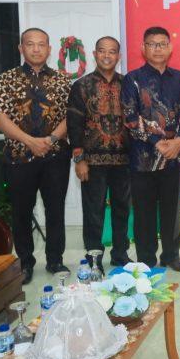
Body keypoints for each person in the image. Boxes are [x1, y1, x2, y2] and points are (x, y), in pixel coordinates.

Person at [0, 27, 71, 284]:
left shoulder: (62, 81)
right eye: (30, 44)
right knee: (21, 211)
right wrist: (30, 141)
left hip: (55, 156)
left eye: (41, 44)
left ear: (49, 49)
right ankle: (25, 262)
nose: (36, 49)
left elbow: (70, 117)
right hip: (19, 156)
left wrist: (51, 139)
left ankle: (55, 259)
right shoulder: (6, 79)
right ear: (21, 48)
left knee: (55, 209)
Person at [121, 26, 180, 271]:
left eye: (162, 44)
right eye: (152, 44)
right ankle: (146, 258)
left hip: (175, 156)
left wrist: (179, 141)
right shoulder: (132, 78)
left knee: (172, 210)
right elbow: (130, 117)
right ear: (143, 48)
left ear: (170, 48)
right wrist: (157, 142)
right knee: (144, 211)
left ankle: (171, 255)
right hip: (144, 157)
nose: (158, 48)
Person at [67, 36, 132, 270]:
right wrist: (79, 159)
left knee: (122, 210)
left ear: (119, 56)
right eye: (102, 51)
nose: (107, 55)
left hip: (124, 161)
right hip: (92, 162)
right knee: (94, 213)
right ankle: (94, 259)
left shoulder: (127, 84)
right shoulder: (82, 86)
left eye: (112, 51)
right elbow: (74, 125)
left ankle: (120, 255)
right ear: (94, 54)